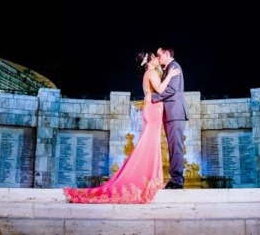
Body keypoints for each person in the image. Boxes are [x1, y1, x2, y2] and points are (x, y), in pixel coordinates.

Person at [63, 51, 180, 203]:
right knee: (148, 145)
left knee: (151, 145)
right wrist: (170, 76)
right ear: (149, 61)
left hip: (152, 110)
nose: (157, 58)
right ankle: (147, 179)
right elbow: (160, 90)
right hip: (153, 111)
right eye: (154, 57)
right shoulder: (150, 72)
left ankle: (153, 178)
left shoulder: (149, 72)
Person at [151, 46, 189, 189]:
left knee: (176, 146)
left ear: (167, 54)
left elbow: (172, 89)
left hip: (175, 113)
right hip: (171, 113)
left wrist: (153, 97)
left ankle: (177, 180)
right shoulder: (168, 69)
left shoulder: (174, 66)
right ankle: (176, 178)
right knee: (173, 147)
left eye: (159, 55)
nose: (158, 57)